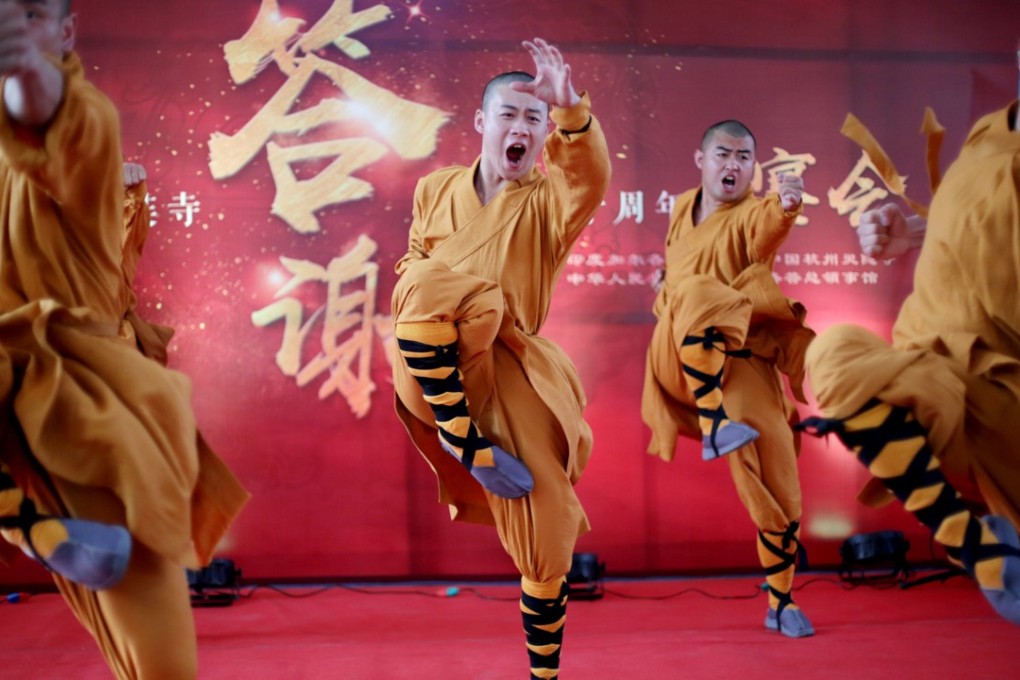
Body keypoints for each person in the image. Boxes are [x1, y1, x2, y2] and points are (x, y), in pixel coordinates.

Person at [0, 2, 250, 678]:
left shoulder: (83, 127)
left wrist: (24, 71)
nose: (12, 25)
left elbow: (51, 116)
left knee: (151, 648)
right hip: (13, 409)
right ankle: (21, 517)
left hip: (91, 403)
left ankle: (27, 520)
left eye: (29, 15)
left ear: (65, 31)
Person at [391, 37, 610, 679]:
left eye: (533, 119)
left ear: (545, 134)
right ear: (482, 123)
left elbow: (588, 176)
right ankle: (465, 444)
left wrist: (569, 107)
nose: (521, 127)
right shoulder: (435, 189)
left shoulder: (550, 201)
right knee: (439, 286)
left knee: (549, 541)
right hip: (431, 360)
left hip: (509, 364)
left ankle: (544, 676)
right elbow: (411, 266)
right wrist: (439, 287)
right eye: (508, 115)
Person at [799, 99, 1020, 625]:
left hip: (1005, 399)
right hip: (939, 378)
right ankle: (977, 546)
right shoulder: (992, 128)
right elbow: (981, 221)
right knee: (834, 354)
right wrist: (920, 233)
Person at [641, 120, 816, 637]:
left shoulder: (751, 214)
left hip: (740, 359)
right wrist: (668, 284)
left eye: (744, 157)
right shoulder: (680, 208)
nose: (733, 165)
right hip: (679, 355)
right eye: (723, 153)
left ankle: (781, 601)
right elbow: (684, 271)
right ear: (701, 159)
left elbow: (767, 228)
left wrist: (786, 206)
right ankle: (713, 420)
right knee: (694, 292)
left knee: (776, 466)